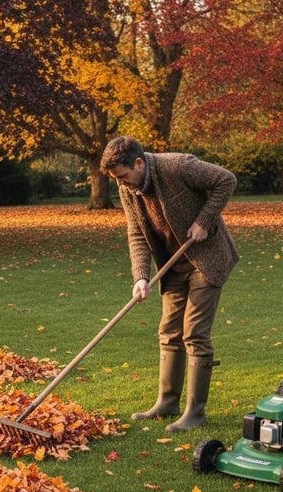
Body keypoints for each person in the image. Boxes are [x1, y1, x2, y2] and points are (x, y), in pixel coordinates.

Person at [100, 135, 239, 432]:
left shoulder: (178, 166)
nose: (122, 184)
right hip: (172, 264)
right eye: (117, 180)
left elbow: (226, 180)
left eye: (124, 176)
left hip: (205, 258)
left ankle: (195, 412)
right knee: (169, 331)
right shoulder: (128, 189)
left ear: (138, 163)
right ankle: (167, 402)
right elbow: (136, 232)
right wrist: (140, 276)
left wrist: (205, 220)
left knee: (195, 333)